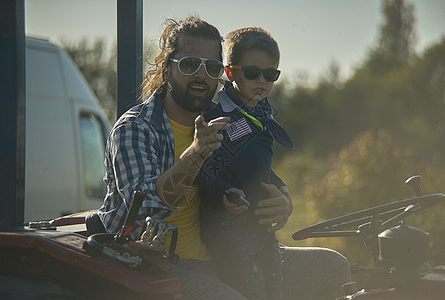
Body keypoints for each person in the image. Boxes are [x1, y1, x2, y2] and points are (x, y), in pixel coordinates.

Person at [98, 16, 351, 300]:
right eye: (190, 65)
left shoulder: (225, 118)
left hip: (230, 250)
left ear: (223, 73)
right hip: (161, 265)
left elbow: (252, 167)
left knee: (332, 267)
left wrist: (283, 198)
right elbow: (145, 210)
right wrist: (195, 153)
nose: (201, 76)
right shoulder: (137, 128)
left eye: (212, 68)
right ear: (167, 67)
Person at [195, 27, 292, 300]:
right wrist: (224, 192)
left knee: (276, 290)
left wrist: (282, 191)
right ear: (230, 73)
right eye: (252, 72)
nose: (261, 80)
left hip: (261, 226)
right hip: (230, 228)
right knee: (250, 292)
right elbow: (204, 167)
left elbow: (261, 167)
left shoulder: (261, 113)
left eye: (270, 74)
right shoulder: (223, 118)